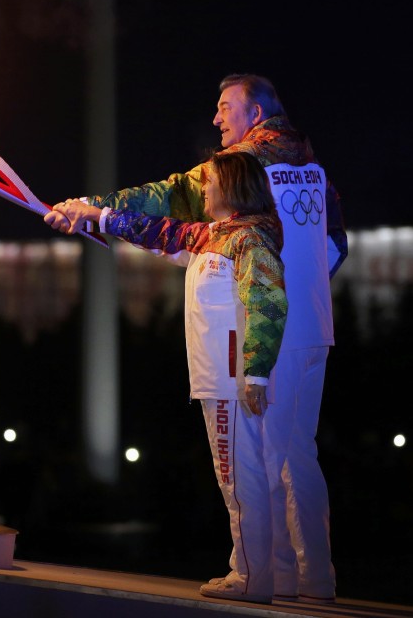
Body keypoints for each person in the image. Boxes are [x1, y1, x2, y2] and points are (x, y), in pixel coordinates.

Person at [46, 73, 347, 603]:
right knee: (297, 453)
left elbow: (167, 200)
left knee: (254, 457)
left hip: (260, 330)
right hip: (311, 327)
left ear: (256, 114)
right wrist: (304, 292)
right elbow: (337, 245)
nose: (216, 118)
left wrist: (92, 207)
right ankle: (312, 576)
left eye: (225, 106)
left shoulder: (240, 168)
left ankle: (259, 574)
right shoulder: (314, 169)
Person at [48, 151, 288, 603]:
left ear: (233, 186)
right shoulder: (211, 236)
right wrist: (89, 214)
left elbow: (268, 303)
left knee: (241, 475)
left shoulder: (250, 239)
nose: (202, 188)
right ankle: (249, 570)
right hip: (219, 378)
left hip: (233, 379)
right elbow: (154, 230)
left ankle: (254, 578)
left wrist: (255, 372)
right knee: (235, 476)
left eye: (210, 181)